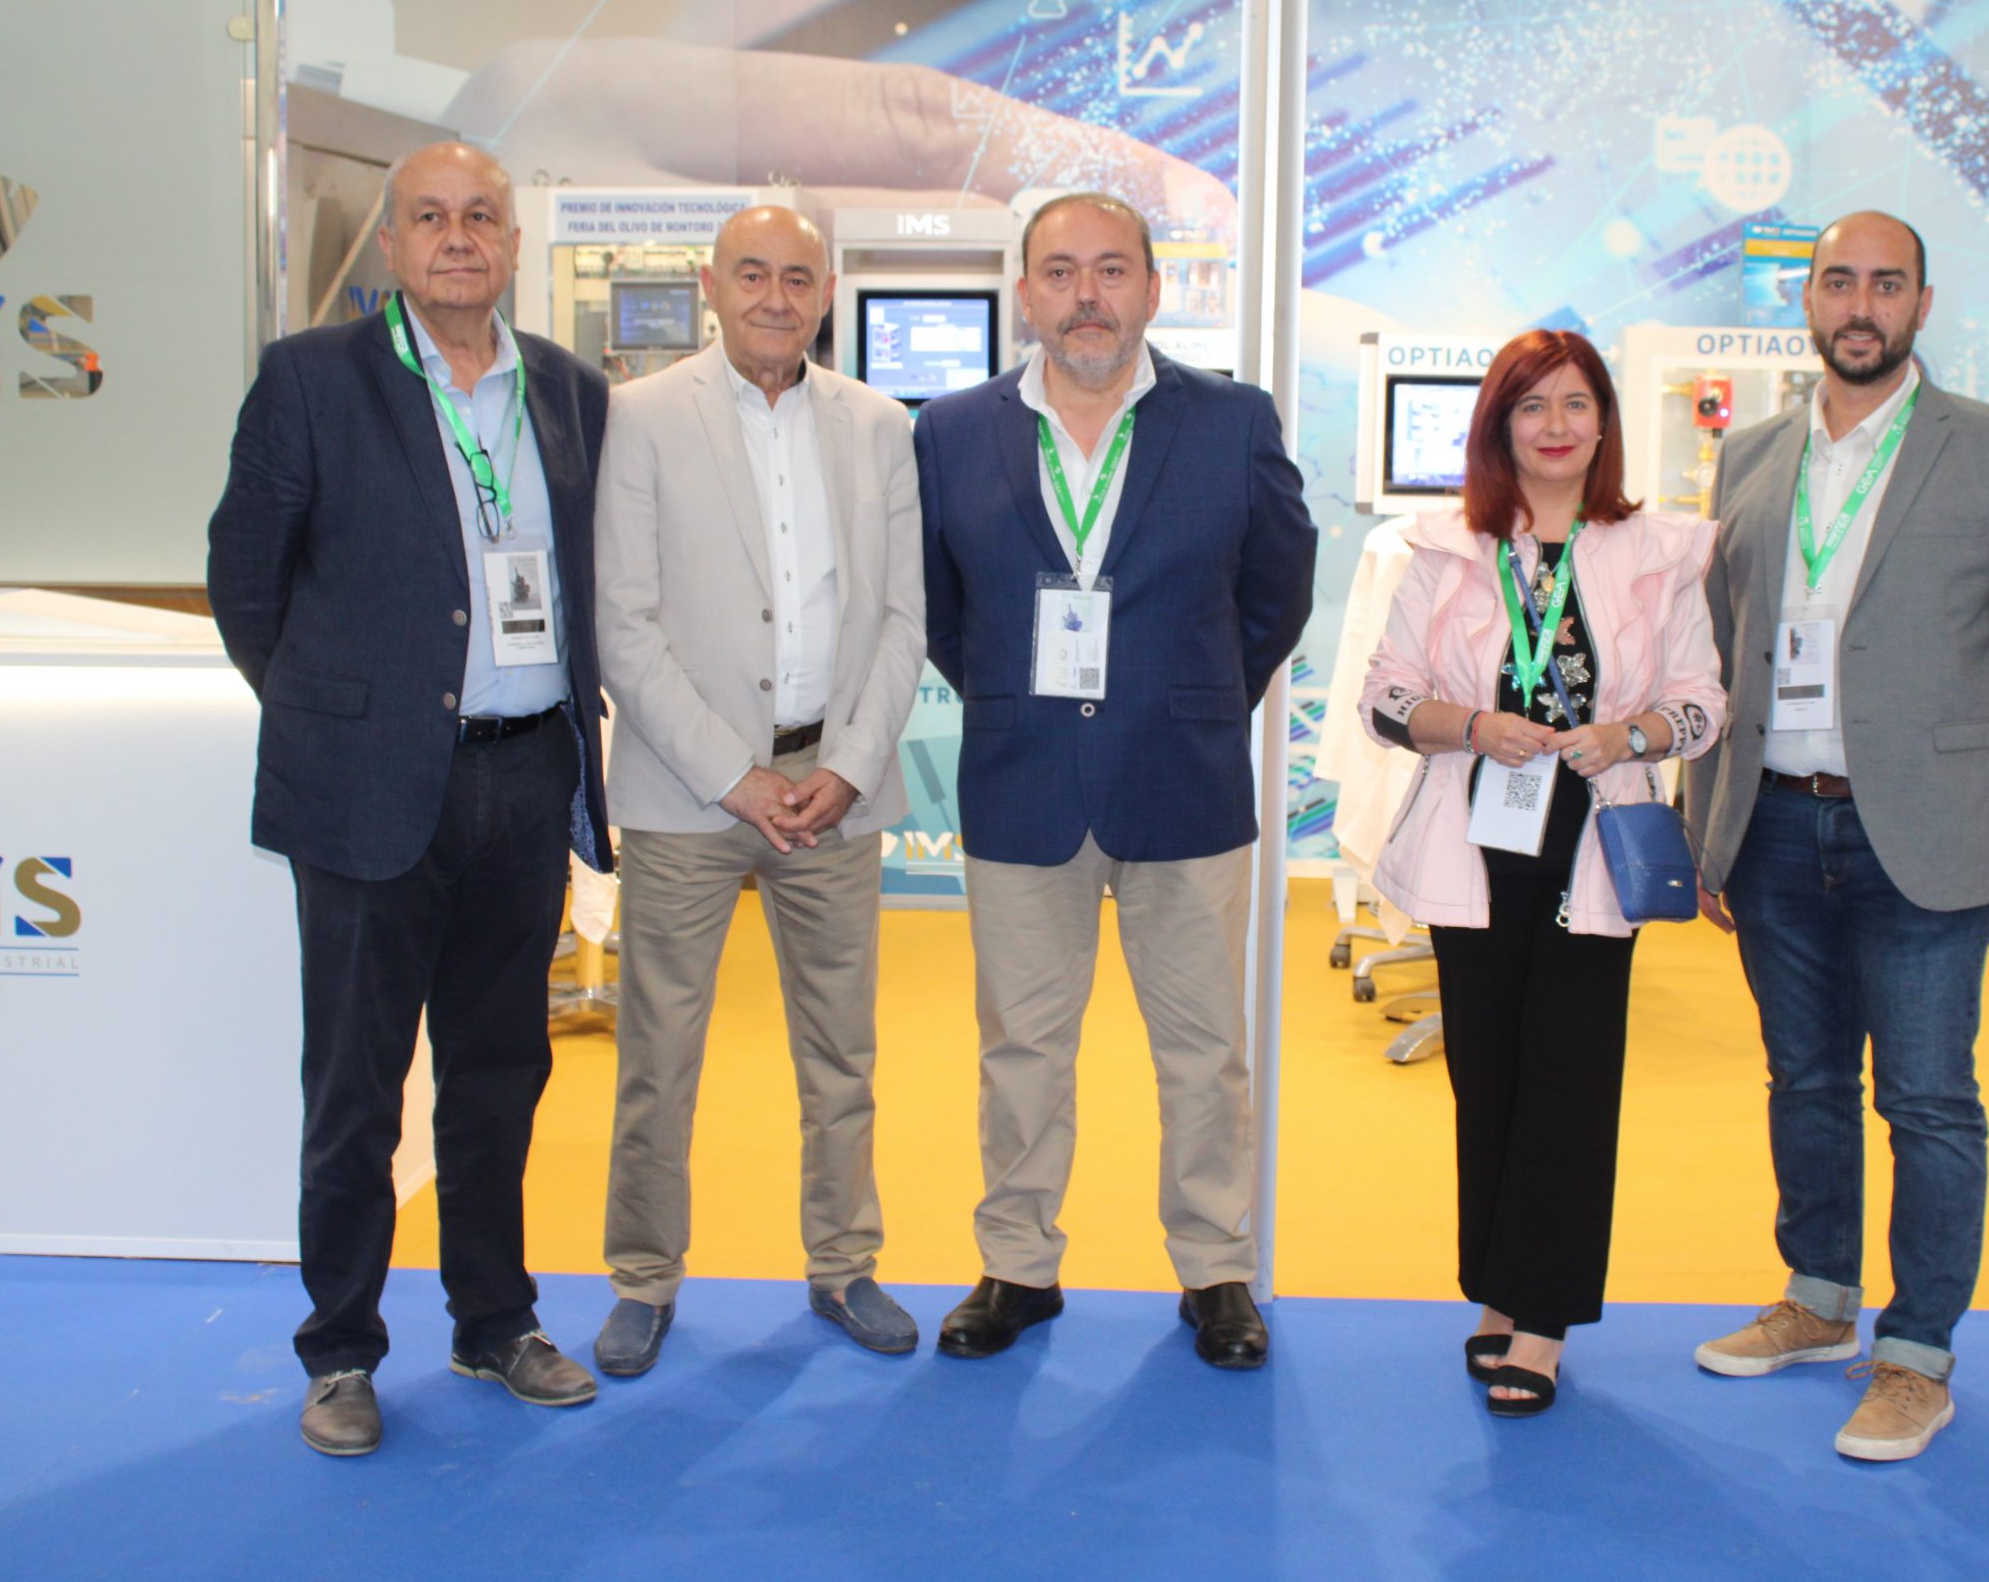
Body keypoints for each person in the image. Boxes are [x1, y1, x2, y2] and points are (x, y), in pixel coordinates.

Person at [207, 142, 613, 1457]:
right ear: (390, 244)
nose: (457, 237)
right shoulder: (311, 379)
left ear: (514, 241)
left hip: (526, 773)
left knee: (499, 1073)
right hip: (370, 786)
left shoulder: (569, 388)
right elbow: (246, 579)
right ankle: (340, 1348)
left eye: (481, 215)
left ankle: (494, 1320)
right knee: (357, 1086)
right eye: (429, 217)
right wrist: (342, 719)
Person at [1684, 211, 1989, 1461]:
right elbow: (1720, 647)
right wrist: (1709, 823)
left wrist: (1950, 745)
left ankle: (1917, 1355)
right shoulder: (1751, 454)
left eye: (1885, 284)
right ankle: (1819, 1299)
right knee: (1803, 1082)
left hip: (1918, 834)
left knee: (1926, 1101)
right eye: (1837, 282)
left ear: (1922, 304)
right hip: (1773, 824)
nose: (1858, 304)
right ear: (1806, 302)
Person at [914, 191, 1317, 1368]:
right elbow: (940, 607)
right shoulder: (949, 431)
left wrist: (1198, 695)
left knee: (1203, 1051)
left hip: (1183, 781)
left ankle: (1215, 1271)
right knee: (1020, 1050)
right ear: (1024, 293)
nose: (1085, 295)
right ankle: (1017, 1266)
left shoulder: (1231, 421)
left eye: (1109, 270)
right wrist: (1014, 694)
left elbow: (1277, 589)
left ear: (1151, 287)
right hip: (1020, 781)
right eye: (1059, 272)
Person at [1356, 330, 1726, 1417]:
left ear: (1605, 421)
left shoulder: (1659, 551)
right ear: (1498, 426)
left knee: (1569, 1078)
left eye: (1575, 403)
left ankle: (1544, 1317)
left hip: (1595, 830)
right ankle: (1497, 1286)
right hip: (1478, 825)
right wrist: (1470, 723)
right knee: (1487, 1075)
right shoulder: (1446, 548)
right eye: (1531, 406)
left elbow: (1703, 700)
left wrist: (1634, 735)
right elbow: (1385, 695)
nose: (1555, 425)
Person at [588, 206, 927, 1371]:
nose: (774, 298)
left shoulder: (879, 426)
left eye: (795, 277)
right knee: (659, 1055)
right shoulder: (639, 418)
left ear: (825, 291)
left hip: (832, 790)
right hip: (689, 791)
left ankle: (844, 1265)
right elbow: (623, 623)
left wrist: (848, 765)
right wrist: (732, 776)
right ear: (710, 285)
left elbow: (903, 619)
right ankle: (643, 1278)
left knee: (842, 1054)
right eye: (751, 275)